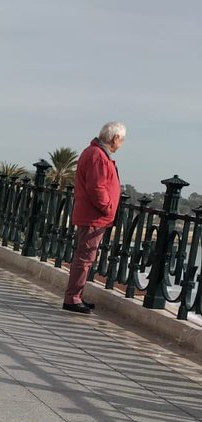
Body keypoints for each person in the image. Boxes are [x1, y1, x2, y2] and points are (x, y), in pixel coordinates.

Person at [62, 122, 126, 315]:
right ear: (115, 138)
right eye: (121, 140)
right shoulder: (98, 155)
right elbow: (96, 187)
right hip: (93, 215)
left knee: (85, 256)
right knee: (85, 257)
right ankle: (72, 298)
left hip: (92, 214)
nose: (121, 144)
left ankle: (76, 295)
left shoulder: (94, 152)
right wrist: (108, 208)